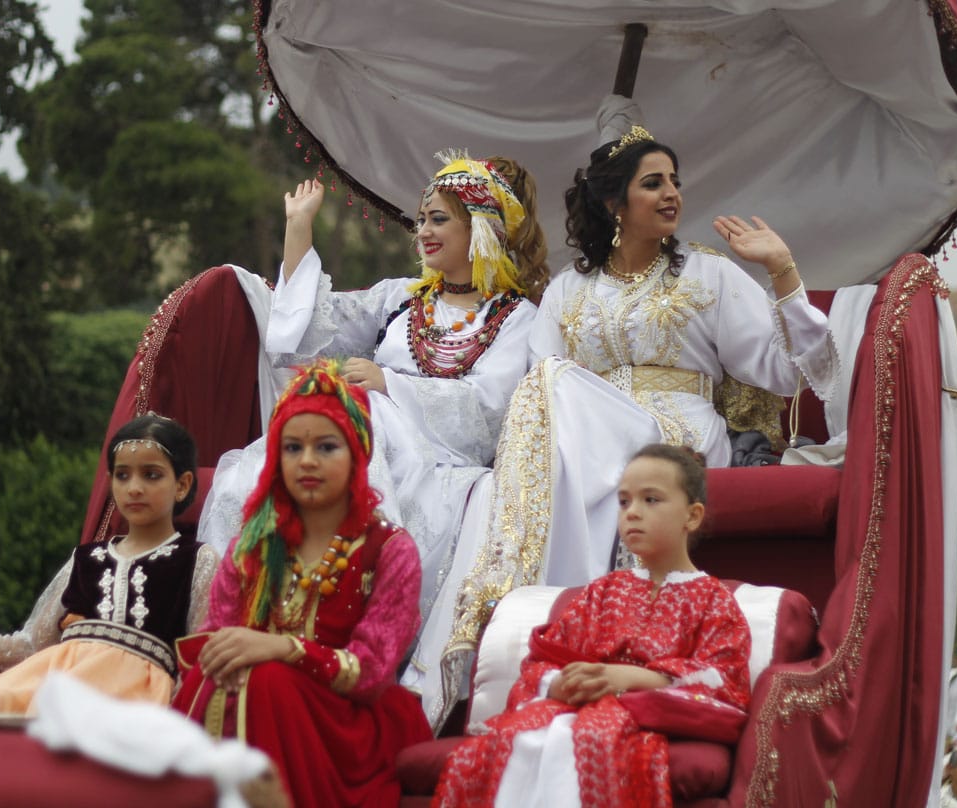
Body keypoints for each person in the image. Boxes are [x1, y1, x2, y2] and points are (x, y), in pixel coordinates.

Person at [435, 126, 838, 710]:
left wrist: (781, 271)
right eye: (654, 183)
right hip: (585, 441)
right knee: (543, 389)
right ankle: (522, 620)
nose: (672, 193)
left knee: (551, 389)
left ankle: (548, 617)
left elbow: (792, 371)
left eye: (675, 182)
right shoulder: (567, 290)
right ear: (612, 203)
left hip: (676, 439)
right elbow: (540, 393)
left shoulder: (708, 274)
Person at [196, 154, 548, 726]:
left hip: (437, 460)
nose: (424, 232)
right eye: (421, 220)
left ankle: (340, 653)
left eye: (438, 220)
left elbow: (491, 409)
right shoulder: (399, 297)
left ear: (479, 229)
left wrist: (391, 384)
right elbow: (303, 336)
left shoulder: (515, 318)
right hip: (362, 438)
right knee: (263, 470)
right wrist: (299, 228)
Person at [173, 360, 432, 808]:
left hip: (349, 723)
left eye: (326, 447)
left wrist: (284, 649)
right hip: (261, 700)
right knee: (214, 678)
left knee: (268, 680)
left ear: (358, 455)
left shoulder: (389, 549)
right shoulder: (251, 547)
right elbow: (220, 638)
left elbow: (370, 673)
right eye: (292, 448)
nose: (307, 461)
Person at [434, 444, 751, 807]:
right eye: (624, 502)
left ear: (692, 516)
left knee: (592, 742)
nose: (632, 513)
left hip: (638, 723)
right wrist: (563, 683)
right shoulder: (604, 592)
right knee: (505, 740)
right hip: (568, 711)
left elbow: (724, 682)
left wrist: (631, 680)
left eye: (651, 500)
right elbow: (540, 663)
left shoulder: (712, 600)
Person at [0, 415, 219, 715]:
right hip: (54, 682)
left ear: (182, 484)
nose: (134, 488)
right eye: (123, 475)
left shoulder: (197, 560)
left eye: (151, 475)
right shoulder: (85, 559)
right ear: (110, 483)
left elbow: (200, 659)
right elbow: (31, 644)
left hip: (135, 701)